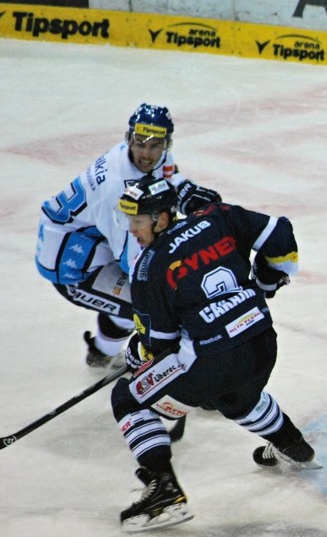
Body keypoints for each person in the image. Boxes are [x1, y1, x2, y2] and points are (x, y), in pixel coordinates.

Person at [109, 175, 315, 532]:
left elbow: (161, 347)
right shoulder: (217, 217)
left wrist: (136, 354)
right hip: (262, 342)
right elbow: (279, 233)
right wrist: (266, 282)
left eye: (138, 221)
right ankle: (294, 447)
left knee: (129, 398)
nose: (132, 230)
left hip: (212, 359)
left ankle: (164, 491)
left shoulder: (149, 268)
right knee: (236, 396)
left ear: (160, 218)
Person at [36, 104, 223, 369]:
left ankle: (102, 352)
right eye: (140, 143)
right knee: (154, 307)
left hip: (91, 243)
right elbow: (134, 265)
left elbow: (168, 178)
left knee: (132, 302)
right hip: (69, 261)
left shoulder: (147, 159)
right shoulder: (119, 189)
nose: (146, 154)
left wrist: (187, 193)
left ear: (167, 144)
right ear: (129, 138)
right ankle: (183, 372)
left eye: (155, 145)